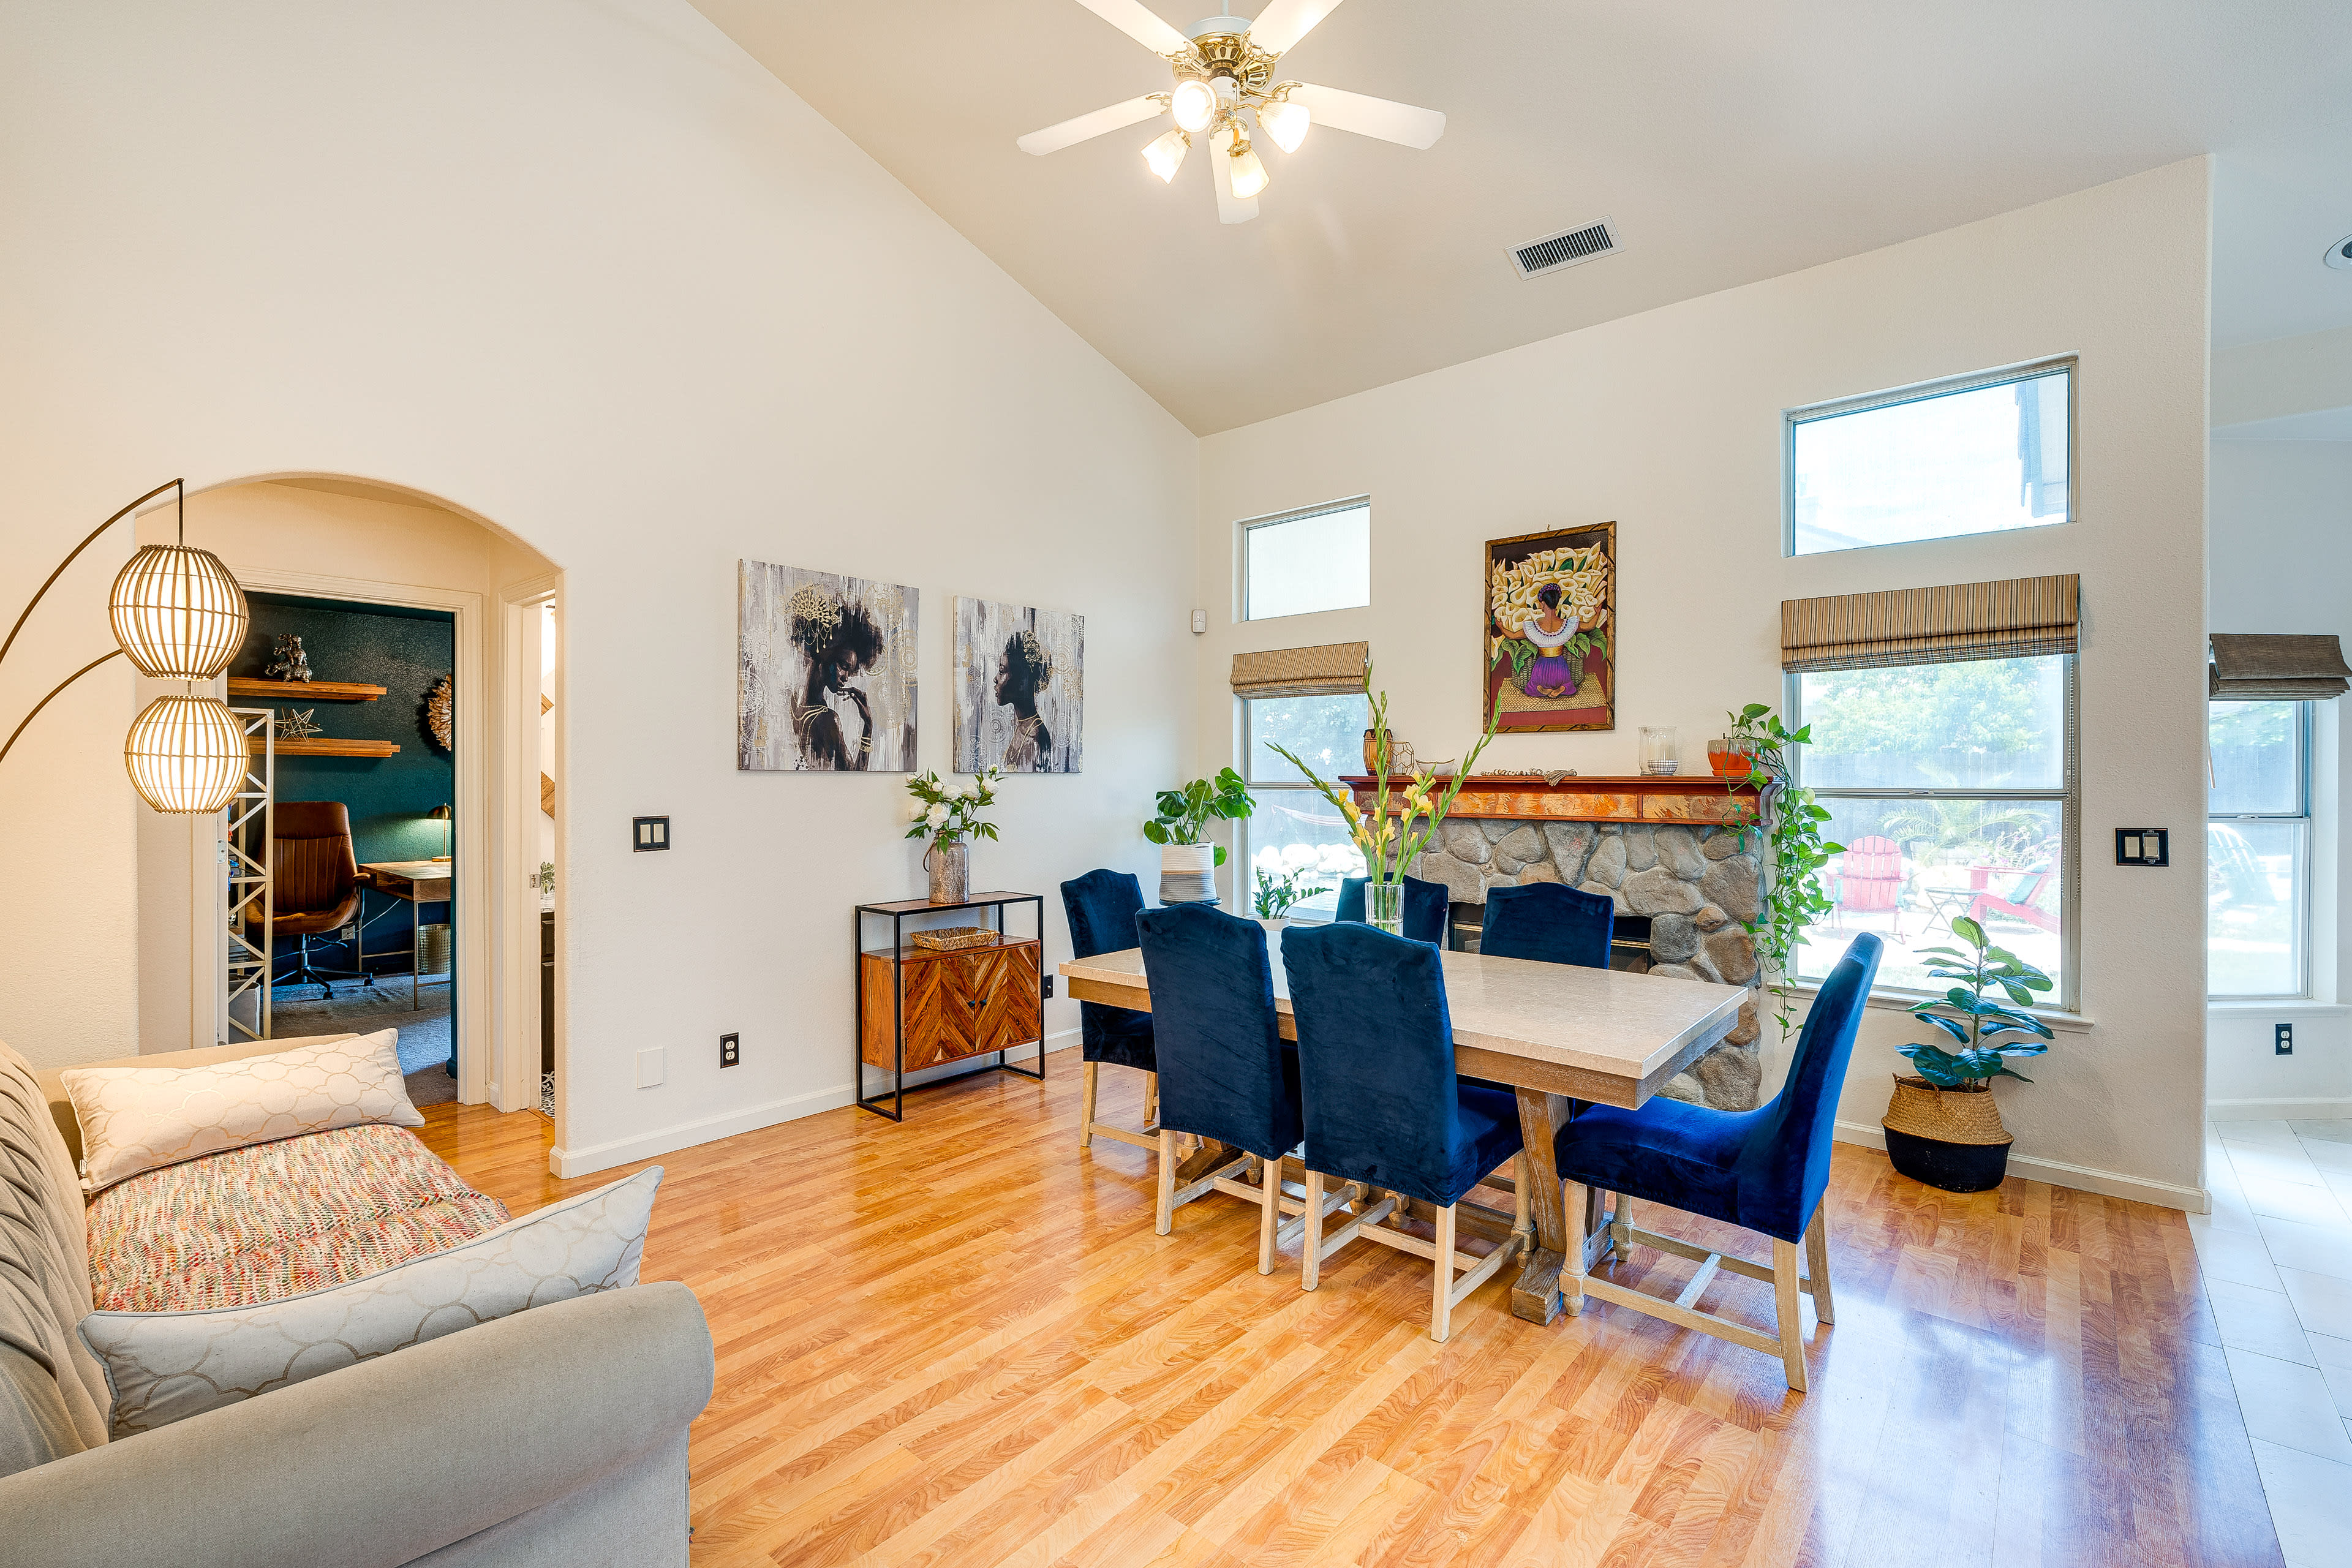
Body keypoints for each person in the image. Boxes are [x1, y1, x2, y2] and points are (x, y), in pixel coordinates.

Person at [787, 587, 886, 770]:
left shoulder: (794, 698)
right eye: (844, 666)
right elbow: (855, 779)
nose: (847, 678)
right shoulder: (828, 719)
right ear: (823, 654)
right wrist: (868, 726)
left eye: (850, 671)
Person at [995, 628, 1054, 771]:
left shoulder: (1034, 739)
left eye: (1002, 671)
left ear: (1022, 683)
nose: (996, 679)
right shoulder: (1023, 727)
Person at [1521, 581, 1580, 699]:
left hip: (1542, 668)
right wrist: (1598, 612)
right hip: (1560, 668)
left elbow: (1512, 635)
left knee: (1532, 686)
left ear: (1542, 604)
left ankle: (1541, 688)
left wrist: (1501, 627)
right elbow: (1589, 626)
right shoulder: (1566, 624)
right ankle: (1562, 688)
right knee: (1568, 683)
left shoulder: (1535, 626)